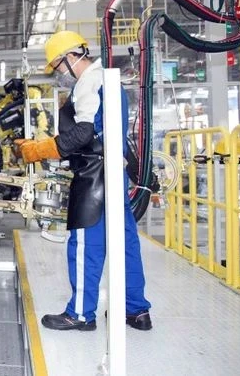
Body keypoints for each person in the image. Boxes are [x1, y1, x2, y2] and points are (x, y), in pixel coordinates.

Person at [15, 31, 152, 331]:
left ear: (72, 57)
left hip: (94, 180)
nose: (59, 75)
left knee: (85, 245)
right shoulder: (110, 80)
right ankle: (137, 311)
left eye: (57, 66)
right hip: (114, 174)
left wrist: (40, 149)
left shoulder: (90, 81)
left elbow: (83, 133)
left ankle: (79, 313)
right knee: (125, 243)